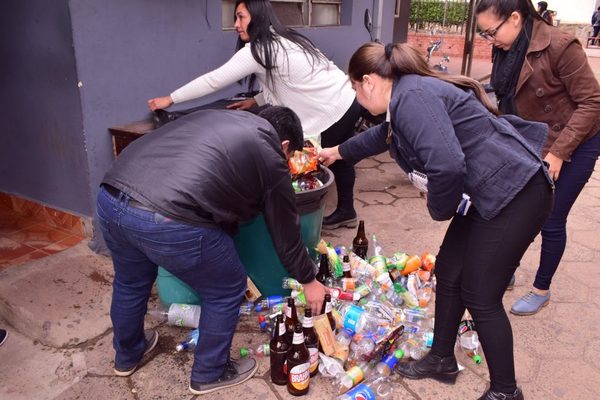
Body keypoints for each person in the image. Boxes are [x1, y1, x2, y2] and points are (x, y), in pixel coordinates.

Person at [319, 42, 554, 400]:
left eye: (354, 90)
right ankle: (442, 358)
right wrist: (337, 152)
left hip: (517, 192)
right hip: (490, 193)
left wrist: (439, 209)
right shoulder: (404, 98)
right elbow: (383, 136)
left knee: (480, 293)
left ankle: (506, 392)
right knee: (449, 271)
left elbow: (447, 165)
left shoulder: (412, 97)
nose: (358, 100)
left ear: (368, 82)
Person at [96, 106, 328, 395]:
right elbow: (286, 233)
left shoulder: (220, 117)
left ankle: (127, 355)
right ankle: (210, 372)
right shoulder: (270, 153)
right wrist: (308, 279)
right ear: (284, 145)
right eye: (289, 155)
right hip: (165, 217)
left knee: (130, 282)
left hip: (111, 196)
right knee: (227, 287)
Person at [148, 0, 361, 230]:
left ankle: (292, 225)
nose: (236, 24)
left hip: (332, 109)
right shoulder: (283, 38)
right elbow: (285, 80)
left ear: (257, 17)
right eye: (235, 17)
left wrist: (170, 99)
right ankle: (345, 211)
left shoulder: (257, 50)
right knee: (339, 158)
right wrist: (256, 100)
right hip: (347, 99)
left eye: (241, 17)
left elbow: (214, 80)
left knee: (298, 159)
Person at [476, 0, 600, 316]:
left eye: (492, 31)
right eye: (485, 34)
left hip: (577, 140)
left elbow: (592, 102)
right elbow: (506, 97)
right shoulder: (507, 47)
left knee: (551, 217)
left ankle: (541, 289)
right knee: (518, 208)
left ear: (515, 18)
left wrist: (559, 153)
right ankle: (508, 268)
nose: (491, 40)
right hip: (532, 139)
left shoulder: (560, 45)